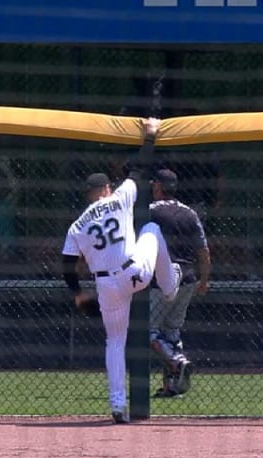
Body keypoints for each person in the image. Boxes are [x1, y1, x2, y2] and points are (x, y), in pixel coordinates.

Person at [61, 117, 181, 424]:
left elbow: (67, 264)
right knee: (152, 228)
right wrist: (150, 135)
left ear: (90, 193)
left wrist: (77, 295)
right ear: (106, 188)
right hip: (134, 273)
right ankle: (170, 287)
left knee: (114, 342)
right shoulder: (119, 197)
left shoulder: (77, 225)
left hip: (106, 287)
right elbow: (139, 168)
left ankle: (117, 405)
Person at [148, 168, 211, 398]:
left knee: (148, 331)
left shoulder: (149, 212)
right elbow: (203, 251)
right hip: (188, 277)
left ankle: (177, 361)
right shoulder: (190, 213)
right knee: (172, 331)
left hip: (162, 280)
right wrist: (204, 279)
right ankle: (173, 386)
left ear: (157, 186)